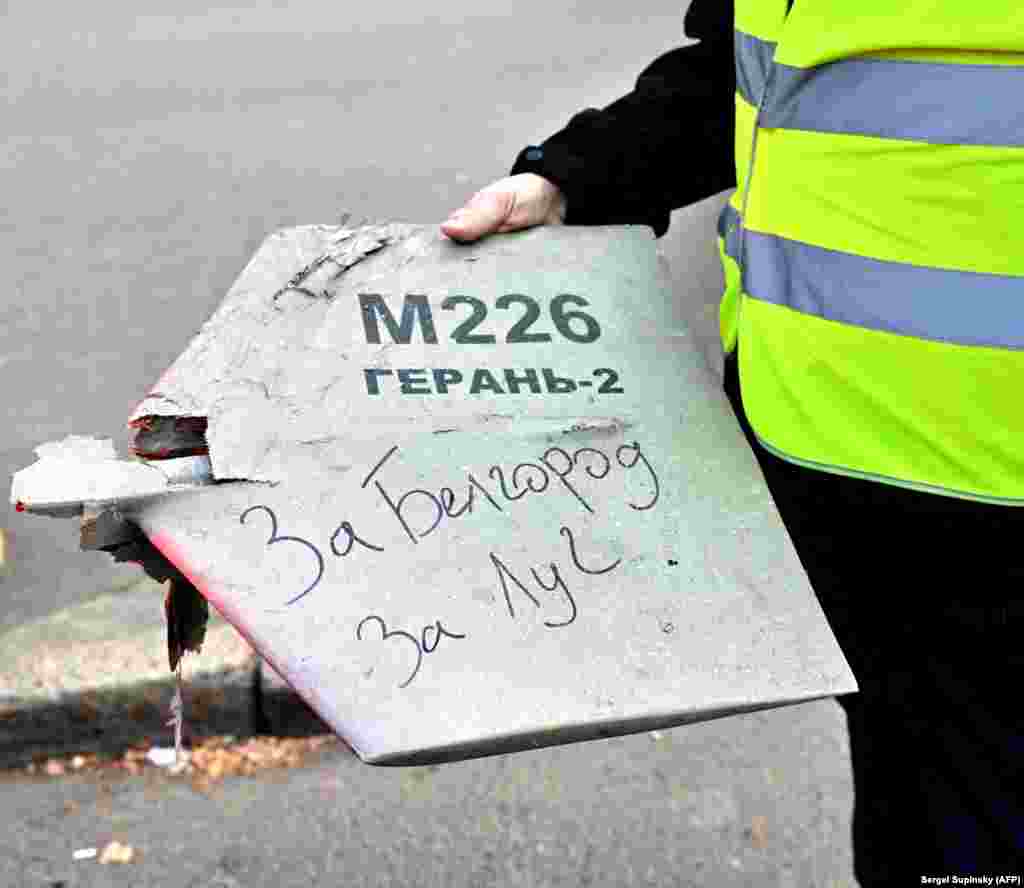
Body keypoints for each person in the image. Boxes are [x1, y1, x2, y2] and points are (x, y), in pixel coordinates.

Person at [440, 0, 1024, 882]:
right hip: (829, 465)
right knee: (915, 821)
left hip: (992, 492)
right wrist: (578, 175)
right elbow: (758, 73)